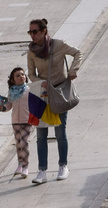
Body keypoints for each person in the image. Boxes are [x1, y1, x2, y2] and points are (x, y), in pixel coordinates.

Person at [25, 18, 81, 184]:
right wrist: (38, 82)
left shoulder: (58, 44)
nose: (32, 35)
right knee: (41, 134)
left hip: (59, 91)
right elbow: (30, 73)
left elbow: (78, 52)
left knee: (60, 130)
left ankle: (63, 165)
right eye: (30, 32)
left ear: (44, 32)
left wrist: (73, 70)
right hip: (41, 93)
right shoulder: (31, 51)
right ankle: (42, 170)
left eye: (35, 31)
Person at [0, 67, 32, 179]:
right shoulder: (12, 92)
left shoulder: (29, 90)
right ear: (13, 80)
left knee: (24, 143)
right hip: (15, 121)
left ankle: (25, 166)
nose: (21, 77)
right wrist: (0, 108)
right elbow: (9, 106)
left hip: (27, 121)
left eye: (23, 74)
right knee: (18, 144)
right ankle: (20, 164)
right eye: (17, 75)